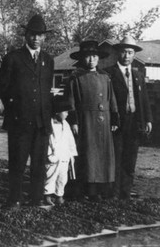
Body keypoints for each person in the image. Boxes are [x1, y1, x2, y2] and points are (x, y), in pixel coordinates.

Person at [0, 14, 54, 208]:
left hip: (41, 122)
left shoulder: (48, 60)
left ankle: (36, 199)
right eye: (32, 34)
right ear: (26, 35)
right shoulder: (13, 58)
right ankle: (14, 199)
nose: (36, 38)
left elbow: (46, 91)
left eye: (40, 35)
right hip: (20, 121)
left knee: (39, 164)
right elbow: (3, 89)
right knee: (17, 163)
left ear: (44, 37)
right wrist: (16, 109)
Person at [66, 40, 119, 202]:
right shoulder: (76, 77)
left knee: (104, 155)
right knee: (89, 155)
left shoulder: (105, 77)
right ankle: (88, 189)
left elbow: (112, 99)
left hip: (104, 121)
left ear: (98, 58)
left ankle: (104, 188)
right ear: (83, 59)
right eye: (88, 57)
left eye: (94, 57)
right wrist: (74, 121)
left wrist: (115, 117)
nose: (91, 60)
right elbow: (71, 101)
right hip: (86, 121)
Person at [105, 35, 153, 200]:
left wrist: (148, 119)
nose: (126, 56)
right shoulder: (109, 74)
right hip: (118, 121)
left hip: (135, 122)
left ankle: (125, 193)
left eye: (130, 52)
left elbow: (144, 99)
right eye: (124, 52)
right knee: (117, 157)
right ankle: (114, 193)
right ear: (118, 53)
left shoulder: (138, 74)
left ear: (134, 54)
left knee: (130, 158)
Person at [43, 99, 78, 206]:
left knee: (62, 178)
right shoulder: (49, 124)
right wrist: (50, 154)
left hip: (64, 156)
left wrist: (72, 153)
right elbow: (48, 141)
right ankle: (47, 196)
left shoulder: (66, 124)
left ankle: (59, 196)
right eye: (65, 112)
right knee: (50, 176)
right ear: (57, 112)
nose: (67, 114)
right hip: (54, 156)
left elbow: (70, 140)